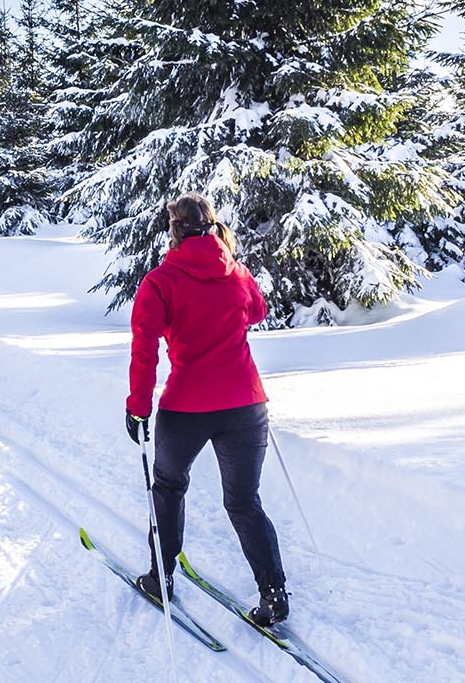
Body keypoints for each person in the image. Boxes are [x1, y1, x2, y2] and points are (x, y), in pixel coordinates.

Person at [124, 192, 288, 626]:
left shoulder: (160, 281)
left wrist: (137, 409)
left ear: (174, 230)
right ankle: (273, 593)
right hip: (245, 405)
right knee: (243, 501)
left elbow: (145, 351)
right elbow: (257, 310)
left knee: (169, 487)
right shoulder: (235, 270)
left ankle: (162, 578)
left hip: (187, 407)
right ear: (211, 225)